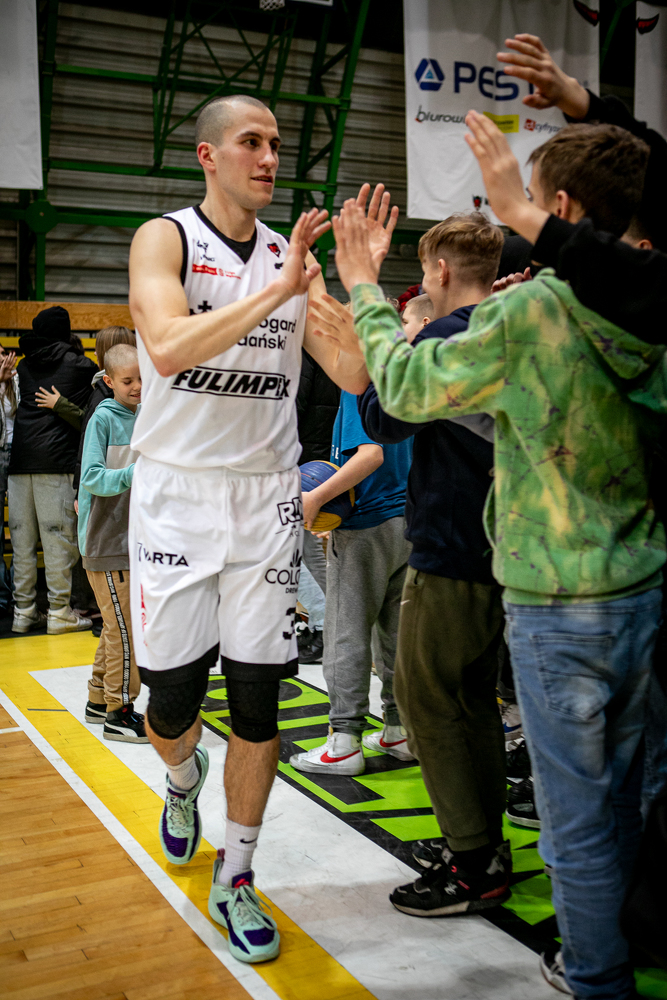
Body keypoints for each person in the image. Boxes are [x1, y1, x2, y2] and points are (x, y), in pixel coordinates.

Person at [330, 119, 664, 1000]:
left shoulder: (533, 311)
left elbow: (402, 389)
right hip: (641, 584)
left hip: (557, 593)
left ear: (561, 208)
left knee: (572, 819)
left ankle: (594, 976)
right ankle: (620, 941)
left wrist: (362, 286)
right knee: (627, 797)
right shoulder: (649, 298)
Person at [127, 93, 394, 964]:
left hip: (263, 498)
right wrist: (277, 293)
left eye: (276, 144)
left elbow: (351, 373)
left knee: (256, 702)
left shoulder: (292, 257)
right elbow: (168, 346)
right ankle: (180, 778)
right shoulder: (165, 238)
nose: (270, 157)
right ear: (209, 155)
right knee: (170, 704)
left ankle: (236, 873)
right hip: (176, 494)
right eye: (252, 142)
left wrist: (358, 285)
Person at [354, 213, 515, 913]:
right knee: (472, 698)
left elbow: (383, 415)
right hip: (502, 542)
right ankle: (481, 842)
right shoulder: (509, 324)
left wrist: (389, 336)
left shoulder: (446, 335)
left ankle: (472, 862)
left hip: (451, 546)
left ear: (441, 271)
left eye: (424, 271)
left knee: (425, 700)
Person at [290, 319, 414, 776]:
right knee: (394, 636)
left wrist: (316, 497)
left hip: (366, 527)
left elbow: (370, 455)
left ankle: (343, 741)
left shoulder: (357, 381)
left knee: (346, 633)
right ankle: (399, 730)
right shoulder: (409, 378)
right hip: (408, 522)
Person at [8, 306, 96, 635]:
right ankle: (59, 612)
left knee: (22, 542)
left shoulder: (24, 365)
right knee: (58, 539)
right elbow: (92, 416)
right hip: (56, 463)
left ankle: (23, 612)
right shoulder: (82, 366)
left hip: (20, 463)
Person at [78, 343, 146, 743]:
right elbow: (91, 477)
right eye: (127, 380)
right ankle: (119, 711)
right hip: (105, 541)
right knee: (125, 630)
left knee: (115, 625)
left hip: (129, 538)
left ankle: (97, 699)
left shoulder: (144, 415)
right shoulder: (102, 418)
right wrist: (133, 474)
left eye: (141, 379)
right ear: (109, 381)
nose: (136, 386)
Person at [295, 344, 340, 664]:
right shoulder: (331, 353)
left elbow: (290, 413)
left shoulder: (304, 353)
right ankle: (325, 625)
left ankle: (324, 625)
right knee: (307, 551)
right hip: (320, 463)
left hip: (296, 466)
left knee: (284, 555)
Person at [0, 345, 18, 613]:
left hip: (18, 454)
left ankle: (18, 595)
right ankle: (2, 597)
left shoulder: (18, 381)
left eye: (4, 352)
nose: (3, 358)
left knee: (21, 529)